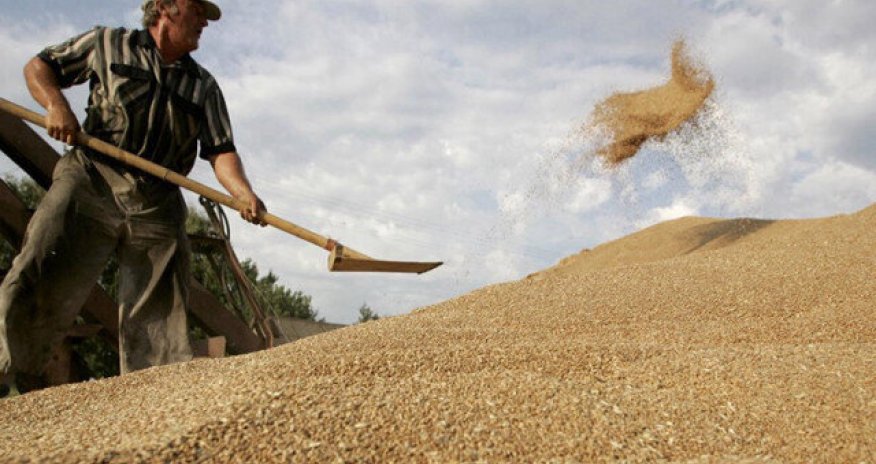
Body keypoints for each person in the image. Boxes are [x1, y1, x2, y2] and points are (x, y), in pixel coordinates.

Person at [0, 0, 265, 391]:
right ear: (165, 7)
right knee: (42, 267)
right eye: (197, 11)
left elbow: (221, 149)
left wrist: (243, 193)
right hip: (92, 178)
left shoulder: (204, 86)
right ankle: (7, 369)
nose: (204, 23)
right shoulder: (107, 43)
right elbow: (39, 67)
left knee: (160, 314)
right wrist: (56, 105)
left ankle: (151, 398)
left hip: (157, 199)